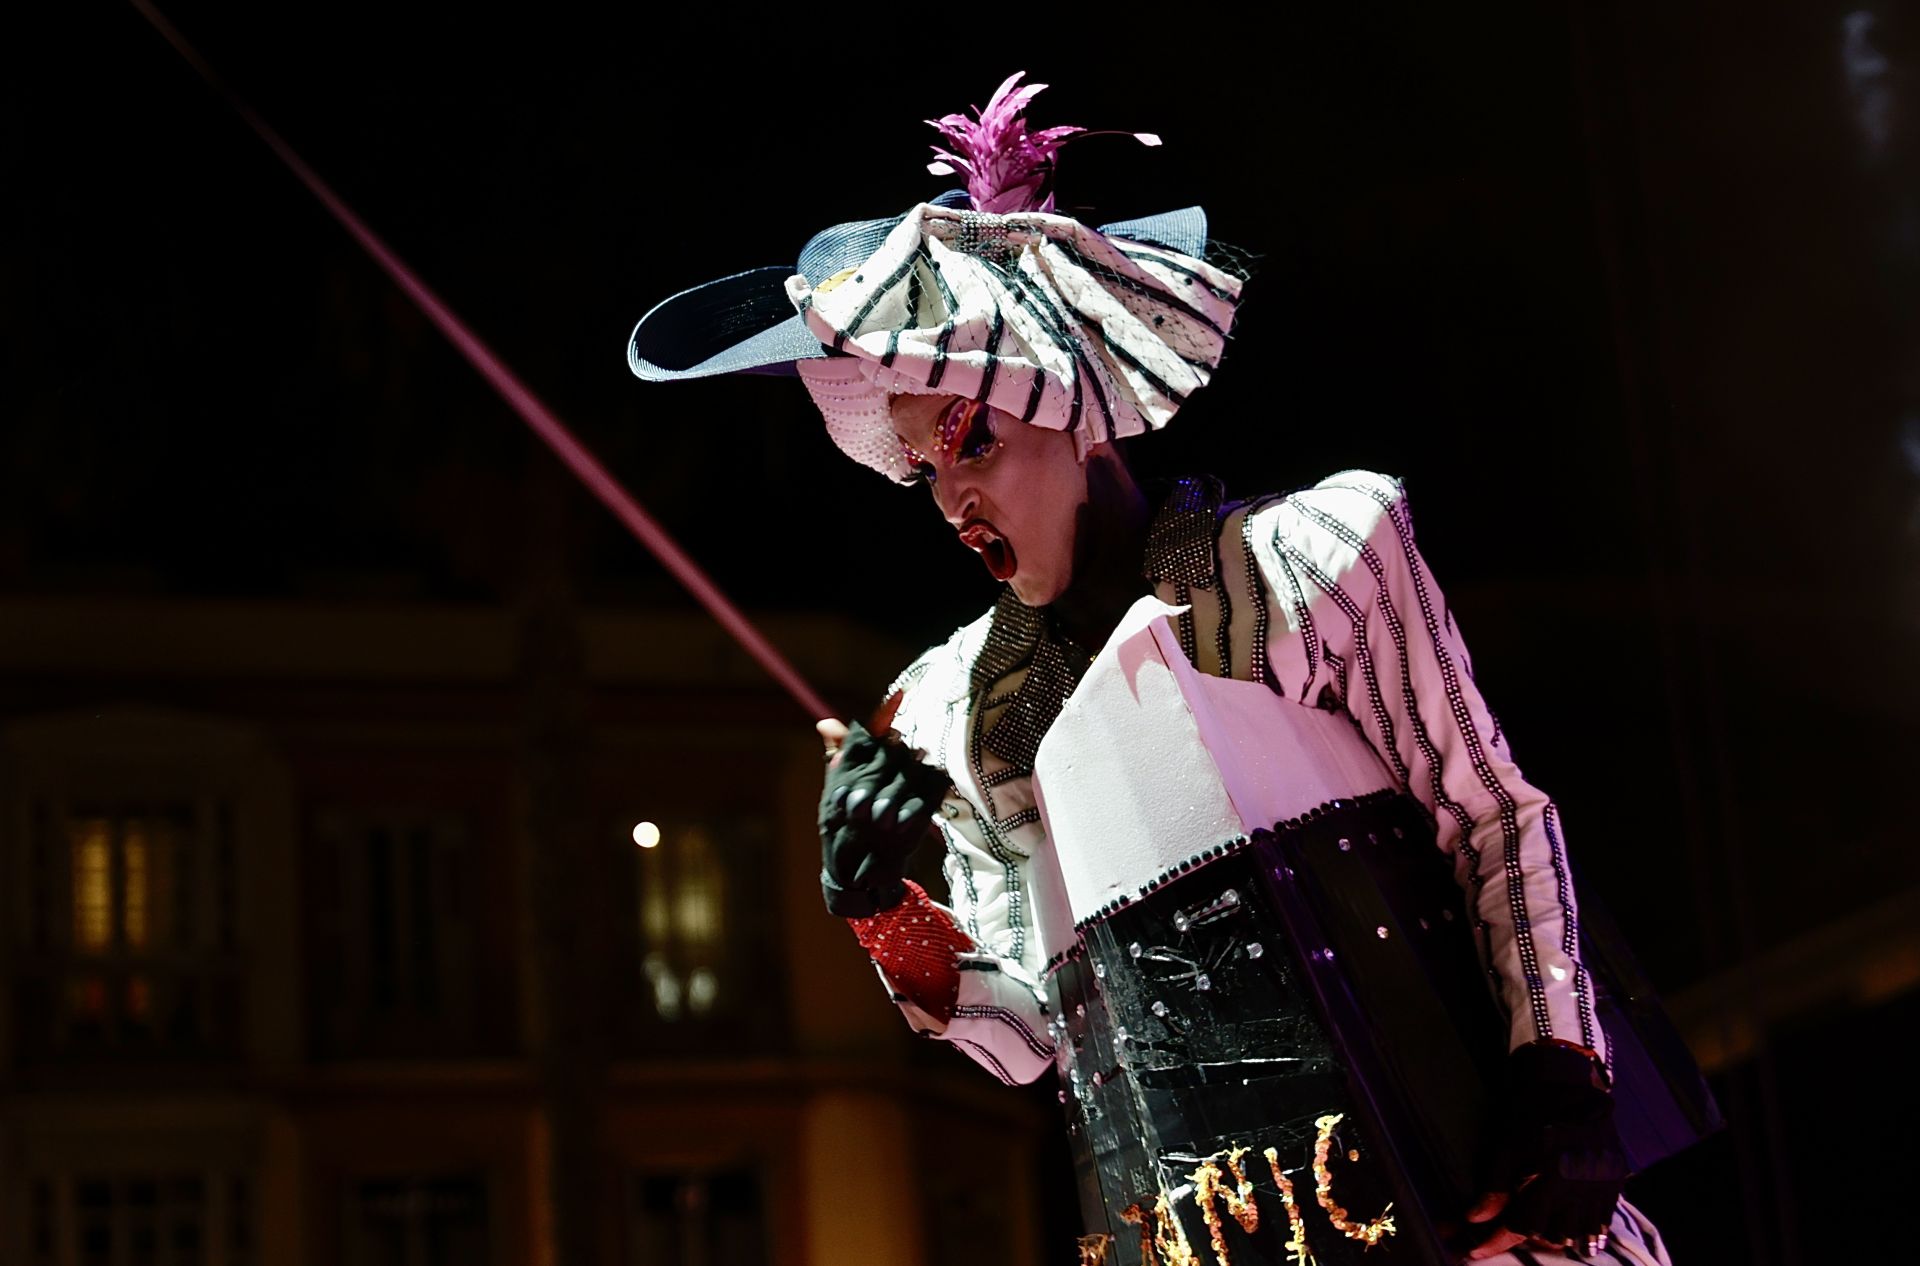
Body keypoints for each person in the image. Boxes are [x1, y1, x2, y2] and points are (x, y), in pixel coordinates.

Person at [629, 74, 1687, 1266]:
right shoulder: (963, 715)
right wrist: (883, 915)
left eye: (973, 436)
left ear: (1069, 395)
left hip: (1486, 1218)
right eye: (925, 468)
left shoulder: (1316, 560)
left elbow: (1493, 820)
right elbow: (1032, 1037)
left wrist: (1560, 1072)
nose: (954, 495)